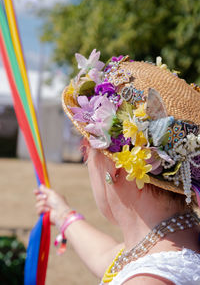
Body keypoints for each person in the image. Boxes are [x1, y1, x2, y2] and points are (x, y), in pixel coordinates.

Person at [35, 50, 200, 284]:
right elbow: (108, 257)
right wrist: (63, 214)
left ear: (116, 168)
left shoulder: (147, 279)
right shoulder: (178, 240)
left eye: (87, 151)